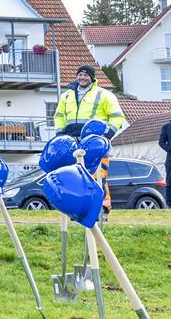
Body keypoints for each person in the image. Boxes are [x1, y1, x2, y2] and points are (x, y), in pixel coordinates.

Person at [53, 64, 126, 212]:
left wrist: (106, 136)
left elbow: (117, 117)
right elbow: (59, 116)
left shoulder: (104, 95)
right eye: (80, 74)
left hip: (95, 144)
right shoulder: (66, 96)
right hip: (72, 143)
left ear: (92, 78)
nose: (82, 77)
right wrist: (60, 136)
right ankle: (79, 209)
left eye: (86, 75)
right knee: (76, 178)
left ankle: (102, 209)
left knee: (99, 176)